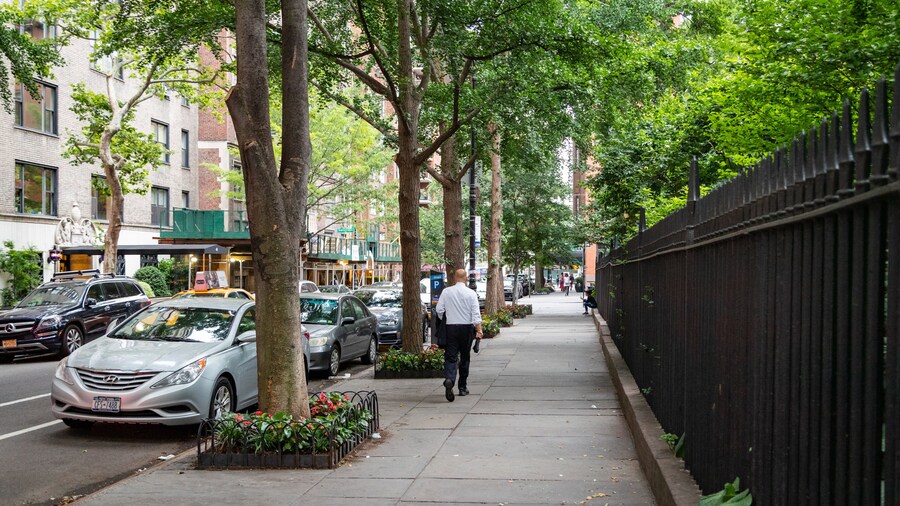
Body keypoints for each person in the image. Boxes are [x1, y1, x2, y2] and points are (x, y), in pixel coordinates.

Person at [435, 268, 483, 402]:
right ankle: (462, 387)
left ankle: (450, 379)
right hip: (466, 328)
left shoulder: (446, 291)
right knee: (465, 357)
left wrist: (446, 318)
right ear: (466, 278)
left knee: (451, 357)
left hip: (451, 328)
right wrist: (479, 330)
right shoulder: (471, 293)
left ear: (455, 278)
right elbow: (475, 315)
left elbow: (439, 310)